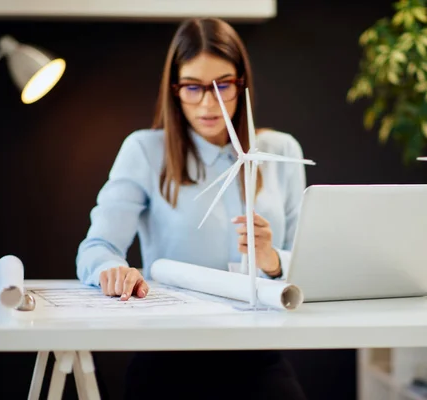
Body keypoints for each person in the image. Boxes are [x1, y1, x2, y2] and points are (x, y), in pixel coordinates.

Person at [76, 17, 309, 400]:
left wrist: (273, 261)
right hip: (169, 355)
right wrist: (111, 270)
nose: (208, 102)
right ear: (175, 90)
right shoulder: (144, 152)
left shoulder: (281, 152)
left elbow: (310, 263)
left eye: (223, 85)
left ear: (242, 84)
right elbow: (96, 246)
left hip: (258, 354)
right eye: (193, 87)